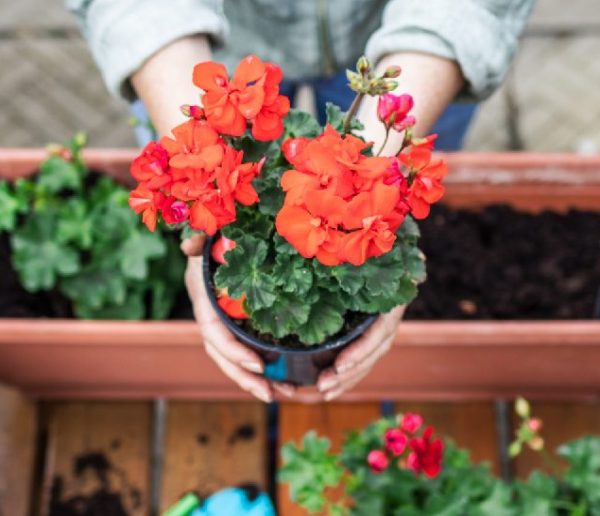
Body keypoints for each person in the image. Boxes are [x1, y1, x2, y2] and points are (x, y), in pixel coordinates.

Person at [68, 0, 535, 402]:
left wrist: (370, 175)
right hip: (205, 42)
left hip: (417, 47)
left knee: (394, 169)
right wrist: (203, 188)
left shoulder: (340, 197)